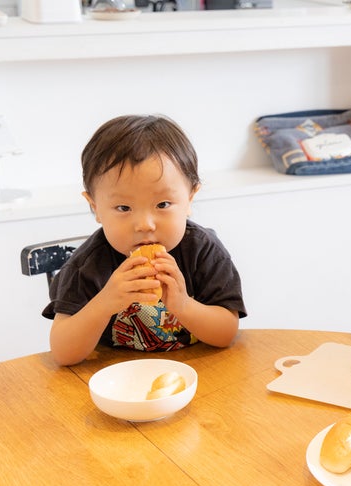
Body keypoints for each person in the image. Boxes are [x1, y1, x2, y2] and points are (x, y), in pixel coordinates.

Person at [44, 114, 247, 366]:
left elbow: (226, 334)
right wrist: (105, 303)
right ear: (95, 207)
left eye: (162, 204)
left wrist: (183, 305)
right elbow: (63, 354)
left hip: (197, 370)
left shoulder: (203, 250)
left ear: (190, 199)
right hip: (117, 378)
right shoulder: (86, 265)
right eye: (123, 208)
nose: (145, 225)